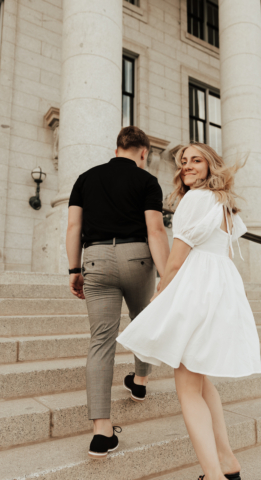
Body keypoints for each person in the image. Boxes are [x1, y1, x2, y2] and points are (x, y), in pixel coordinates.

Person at [117, 143, 261, 480]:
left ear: (211, 164)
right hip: (220, 286)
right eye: (183, 162)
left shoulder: (195, 200)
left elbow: (178, 256)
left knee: (186, 389)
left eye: (196, 160)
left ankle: (213, 475)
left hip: (197, 288)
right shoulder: (224, 203)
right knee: (200, 379)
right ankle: (227, 464)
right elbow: (223, 253)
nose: (188, 167)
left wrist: (160, 293)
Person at [66, 126, 170, 458]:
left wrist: (73, 269)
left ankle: (101, 431)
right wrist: (167, 276)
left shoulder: (85, 179)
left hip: (95, 258)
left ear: (117, 149)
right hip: (138, 256)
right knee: (143, 322)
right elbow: (155, 230)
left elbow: (73, 227)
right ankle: (139, 382)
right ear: (144, 152)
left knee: (100, 341)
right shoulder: (147, 181)